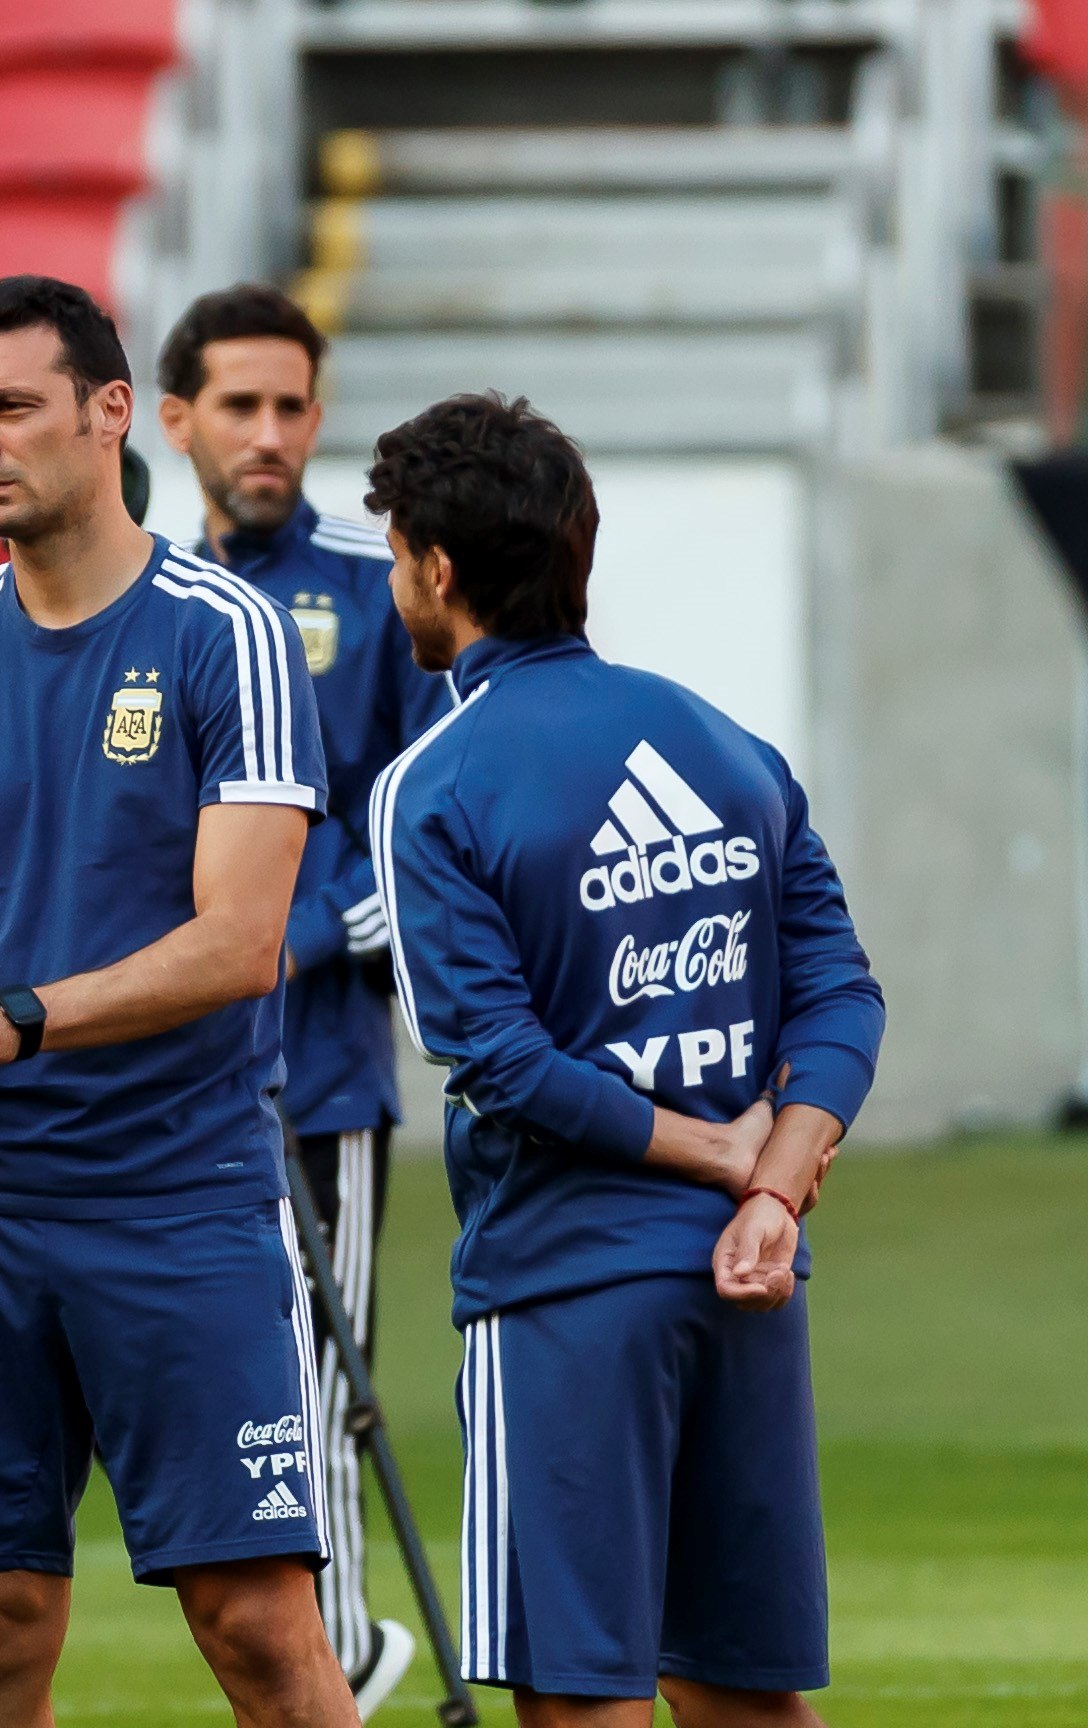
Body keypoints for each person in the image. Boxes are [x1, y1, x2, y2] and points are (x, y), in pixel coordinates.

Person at [0, 274, 356, 1728]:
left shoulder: (223, 635)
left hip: (176, 1196)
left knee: (255, 1623)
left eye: (9, 407)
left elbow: (242, 943)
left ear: (109, 412)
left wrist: (18, 1013)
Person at [367, 393, 884, 1728]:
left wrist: (726, 1153)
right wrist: (772, 1181)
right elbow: (840, 991)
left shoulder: (437, 784)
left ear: (436, 569)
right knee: (742, 1698)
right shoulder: (729, 746)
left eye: (395, 557)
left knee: (577, 1697)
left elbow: (501, 1063)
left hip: (567, 1286)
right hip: (749, 1281)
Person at [156, 284, 450, 1713]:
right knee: (214, 1387)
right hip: (165, 1079)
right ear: (174, 421)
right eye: (238, 406)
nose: (267, 435)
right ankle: (332, 1653)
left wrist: (297, 934)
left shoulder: (373, 585)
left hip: (316, 1071)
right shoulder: (144, 598)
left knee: (318, 1391)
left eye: (290, 408)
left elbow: (433, 824)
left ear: (317, 421)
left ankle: (341, 1663)